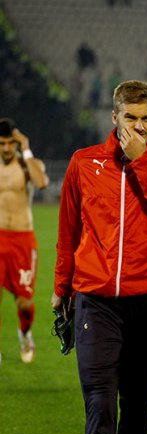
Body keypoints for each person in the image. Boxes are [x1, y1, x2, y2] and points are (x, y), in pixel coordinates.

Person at [51, 80, 147, 434]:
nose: (139, 126)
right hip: (95, 301)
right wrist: (60, 288)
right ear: (114, 117)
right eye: (131, 117)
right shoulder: (84, 161)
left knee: (138, 406)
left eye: (146, 118)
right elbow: (68, 230)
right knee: (99, 400)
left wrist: (143, 161)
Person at [0, 118, 49, 364]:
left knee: (24, 303)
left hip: (22, 240)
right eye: (2, 143)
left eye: (11, 143)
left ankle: (25, 332)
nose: (7, 148)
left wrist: (26, 147)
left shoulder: (26, 164)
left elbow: (41, 183)